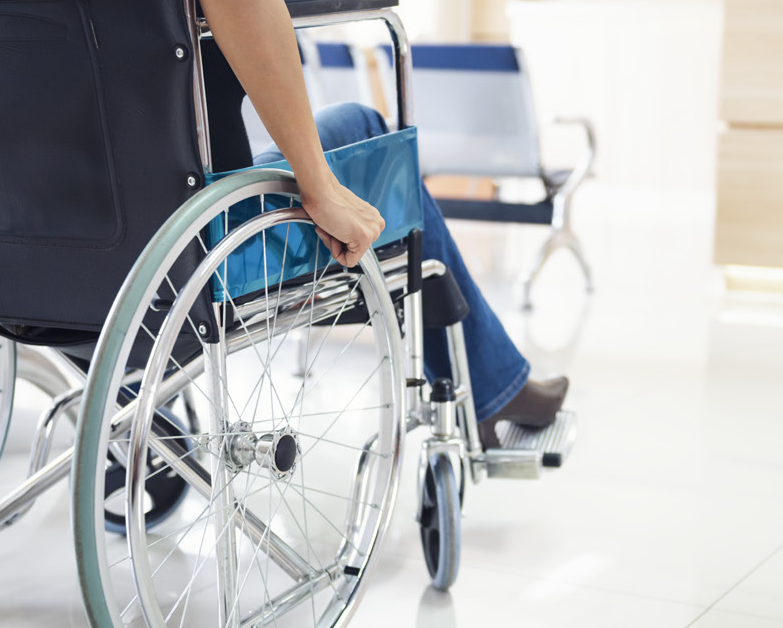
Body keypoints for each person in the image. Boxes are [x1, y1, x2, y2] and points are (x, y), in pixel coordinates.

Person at [201, 0, 567, 448]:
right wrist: (320, 187)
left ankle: (494, 382)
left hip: (102, 263)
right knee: (364, 125)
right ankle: (492, 390)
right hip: (211, 237)